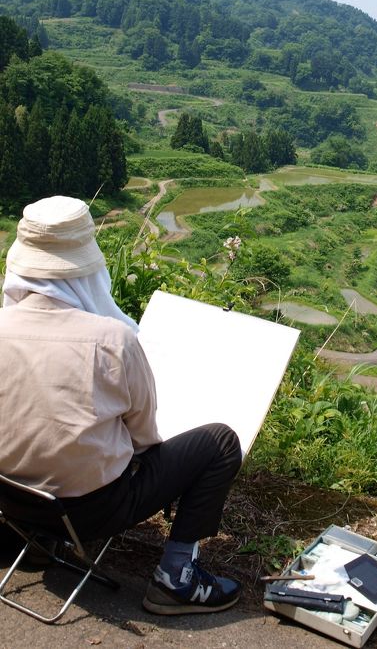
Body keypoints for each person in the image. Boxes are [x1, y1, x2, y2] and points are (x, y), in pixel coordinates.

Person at [0, 196, 242, 615]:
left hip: (12, 502)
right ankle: (176, 578)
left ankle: (38, 543)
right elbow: (144, 439)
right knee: (219, 442)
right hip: (90, 513)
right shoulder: (112, 340)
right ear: (87, 270)